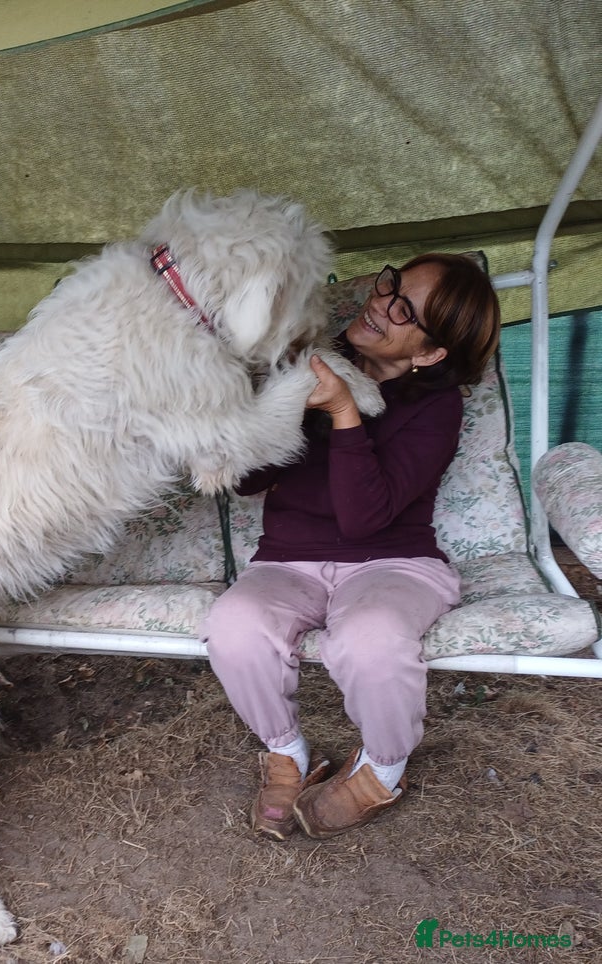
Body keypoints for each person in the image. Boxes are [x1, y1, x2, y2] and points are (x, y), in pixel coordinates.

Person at [200, 253, 501, 840]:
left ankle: (382, 771)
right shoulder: (314, 362)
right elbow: (248, 482)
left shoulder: (437, 408)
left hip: (395, 562)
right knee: (233, 623)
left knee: (371, 638)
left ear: (430, 353)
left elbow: (367, 519)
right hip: (288, 558)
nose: (379, 302)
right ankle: (286, 752)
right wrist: (259, 409)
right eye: (391, 284)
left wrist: (342, 411)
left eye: (404, 309)